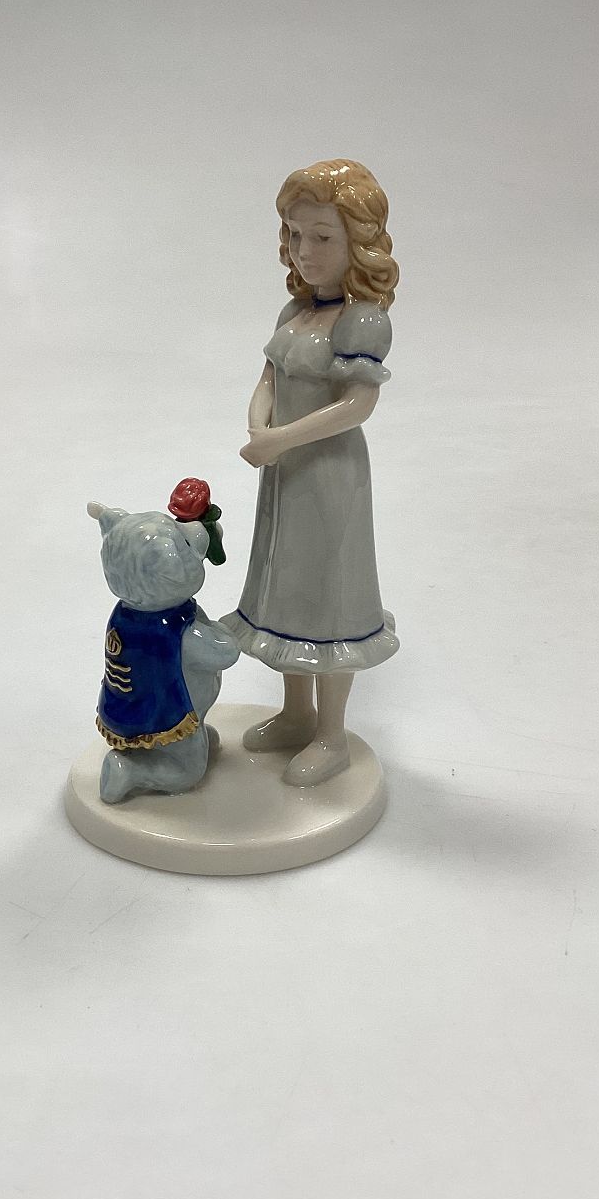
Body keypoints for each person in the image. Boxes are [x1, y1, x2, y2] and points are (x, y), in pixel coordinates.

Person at [220, 159, 400, 787]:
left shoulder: (362, 320)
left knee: (329, 593)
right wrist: (259, 428)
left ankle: (332, 733)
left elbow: (356, 406)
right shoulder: (292, 313)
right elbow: (268, 380)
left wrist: (280, 440)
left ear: (358, 242)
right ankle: (296, 712)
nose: (305, 250)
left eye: (322, 236)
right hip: (285, 473)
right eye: (296, 235)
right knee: (286, 587)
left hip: (328, 476)